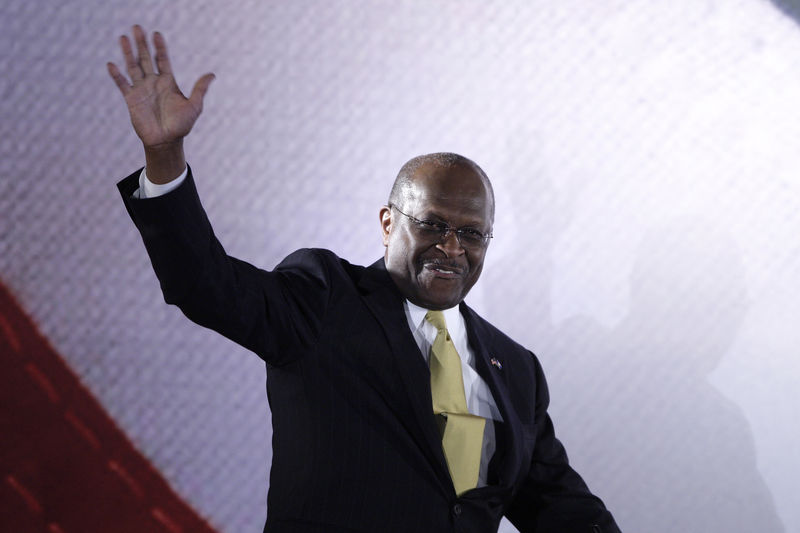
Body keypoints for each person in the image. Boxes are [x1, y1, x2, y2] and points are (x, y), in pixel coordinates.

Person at [109, 25, 620, 533]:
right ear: (387, 223)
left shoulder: (517, 371)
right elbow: (205, 285)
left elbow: (564, 510)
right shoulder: (325, 297)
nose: (451, 248)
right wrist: (165, 157)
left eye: (471, 233)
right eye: (433, 225)